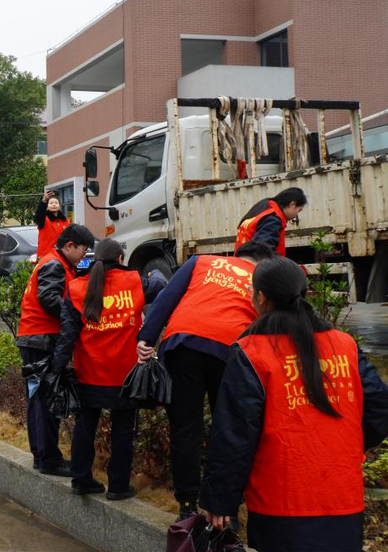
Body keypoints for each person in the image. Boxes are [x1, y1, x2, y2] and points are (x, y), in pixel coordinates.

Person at [200, 258, 388, 552]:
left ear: (261, 297)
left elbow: (235, 435)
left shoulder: (252, 352)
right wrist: (344, 444)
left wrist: (219, 501)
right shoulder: (344, 345)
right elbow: (381, 410)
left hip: (281, 504)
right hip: (343, 500)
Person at [135, 242, 276, 520]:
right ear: (260, 262)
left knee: (185, 428)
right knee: (228, 430)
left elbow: (166, 298)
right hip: (232, 353)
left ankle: (187, 505)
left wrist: (147, 338)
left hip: (183, 344)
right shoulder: (260, 279)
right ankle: (226, 510)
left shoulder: (202, 262)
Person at [51, 239, 165, 500]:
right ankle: (118, 486)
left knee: (84, 427)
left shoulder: (77, 287)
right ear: (121, 258)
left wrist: (56, 369)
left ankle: (81, 479)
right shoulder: (135, 282)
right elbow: (160, 285)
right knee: (123, 431)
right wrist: (155, 271)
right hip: (125, 375)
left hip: (89, 373)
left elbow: (67, 336)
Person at [15, 223, 95, 476]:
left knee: (37, 399)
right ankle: (49, 458)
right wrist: (74, 319)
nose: (85, 255)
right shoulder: (55, 264)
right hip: (41, 341)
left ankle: (41, 455)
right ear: (69, 246)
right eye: (84, 249)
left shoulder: (53, 262)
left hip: (32, 339)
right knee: (48, 400)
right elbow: (49, 298)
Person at [235, 187, 307, 256]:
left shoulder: (264, 207)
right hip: (253, 266)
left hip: (241, 263)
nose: (296, 215)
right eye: (299, 210)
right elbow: (262, 250)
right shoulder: (272, 220)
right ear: (292, 204)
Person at [34, 190, 70, 259]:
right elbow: (38, 216)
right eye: (51, 203)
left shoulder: (66, 221)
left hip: (61, 257)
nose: (54, 204)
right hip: (45, 257)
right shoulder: (43, 220)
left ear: (59, 206)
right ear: (47, 207)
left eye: (56, 203)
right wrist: (44, 200)